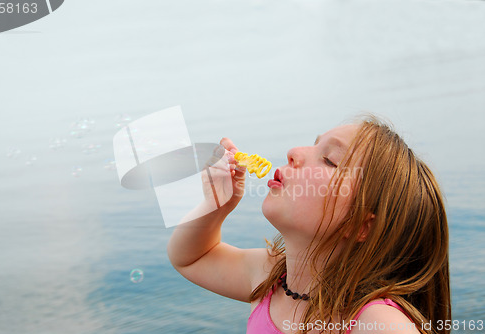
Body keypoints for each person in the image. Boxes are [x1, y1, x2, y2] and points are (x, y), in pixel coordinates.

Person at [167, 115, 450, 334]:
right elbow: (192, 258)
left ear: (360, 225)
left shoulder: (376, 322)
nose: (294, 152)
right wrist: (215, 207)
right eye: (314, 144)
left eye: (329, 160)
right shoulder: (272, 278)